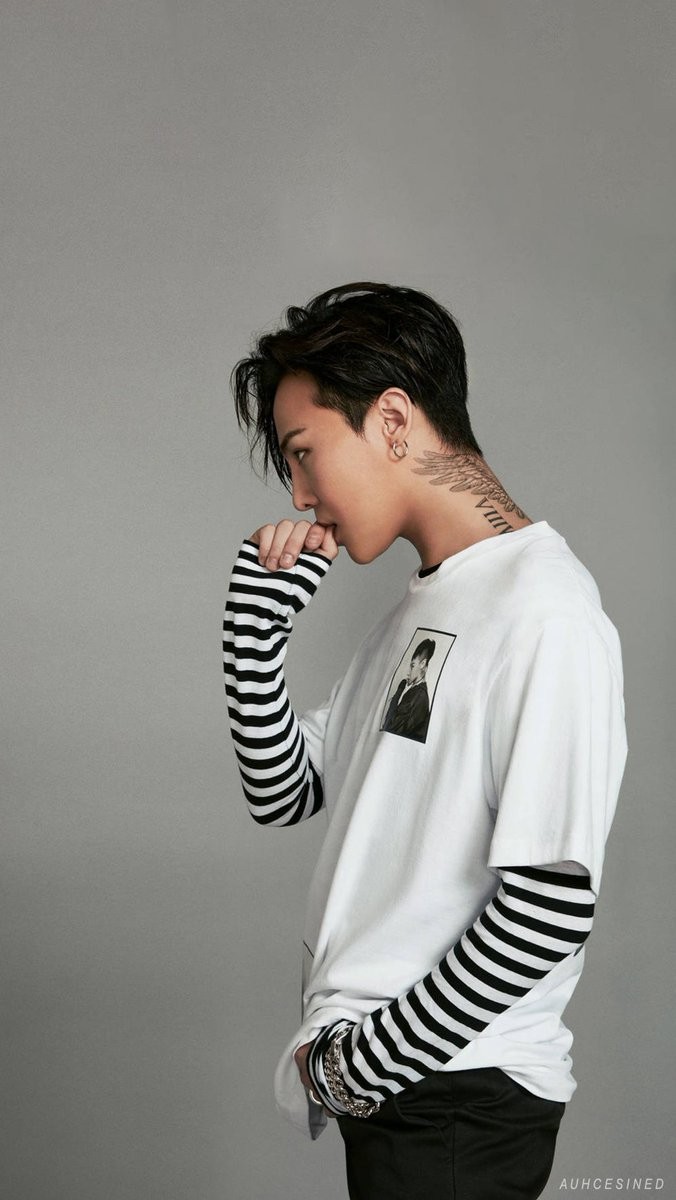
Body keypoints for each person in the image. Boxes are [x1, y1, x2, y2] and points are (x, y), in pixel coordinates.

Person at [222, 282, 628, 1200]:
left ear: (394, 420)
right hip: (414, 1091)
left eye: (304, 453)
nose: (300, 495)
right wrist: (252, 641)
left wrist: (353, 1068)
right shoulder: (429, 604)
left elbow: (549, 907)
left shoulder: (546, 612)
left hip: (455, 1098)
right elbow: (285, 791)